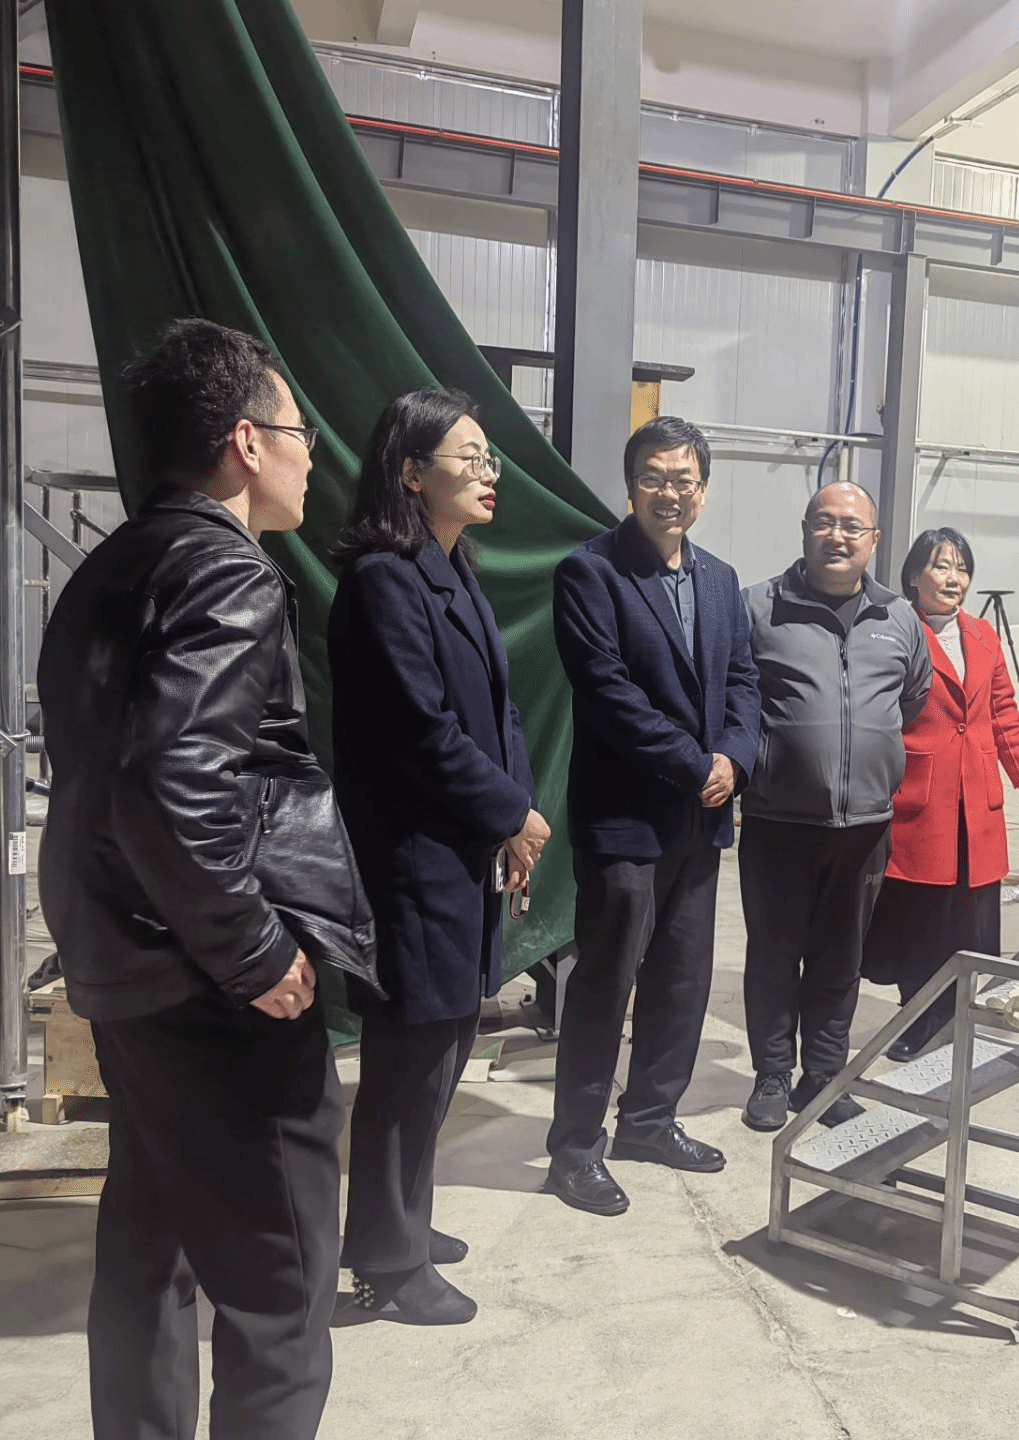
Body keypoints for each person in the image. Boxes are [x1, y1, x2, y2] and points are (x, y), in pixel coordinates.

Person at [38, 319, 376, 1440]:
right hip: (206, 981)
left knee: (150, 1246)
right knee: (280, 1288)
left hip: (121, 959)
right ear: (245, 441)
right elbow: (170, 781)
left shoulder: (113, 564)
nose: (311, 455)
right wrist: (255, 951)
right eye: (299, 431)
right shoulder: (228, 571)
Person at [327, 389, 546, 1323]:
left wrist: (516, 815)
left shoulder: (452, 569)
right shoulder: (384, 579)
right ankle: (388, 1261)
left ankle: (401, 1221)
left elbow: (499, 713)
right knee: (410, 1060)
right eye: (471, 457)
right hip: (413, 860)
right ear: (411, 473)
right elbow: (420, 732)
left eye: (491, 458)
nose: (489, 473)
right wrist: (509, 814)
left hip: (462, 853)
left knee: (447, 1045)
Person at [544, 416, 760, 1215]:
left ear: (704, 489)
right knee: (606, 984)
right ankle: (575, 1148)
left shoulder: (720, 580)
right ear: (631, 485)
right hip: (626, 819)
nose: (671, 493)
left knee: (682, 978)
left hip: (700, 821)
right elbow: (608, 694)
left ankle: (649, 1121)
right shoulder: (591, 573)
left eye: (685, 480)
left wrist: (734, 759)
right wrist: (695, 764)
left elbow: (744, 682)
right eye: (655, 478)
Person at [740, 481, 933, 1132]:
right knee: (774, 954)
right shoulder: (759, 608)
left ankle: (823, 1078)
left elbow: (912, 697)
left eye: (852, 527)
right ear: (804, 531)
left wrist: (866, 759)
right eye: (824, 523)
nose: (838, 536)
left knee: (839, 959)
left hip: (865, 825)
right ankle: (772, 1075)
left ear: (874, 541)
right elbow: (736, 699)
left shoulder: (899, 618)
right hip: (778, 820)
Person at [861, 529, 1019, 1061]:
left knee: (970, 916)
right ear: (913, 575)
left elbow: (1001, 711)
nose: (954, 578)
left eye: (962, 568)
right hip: (921, 798)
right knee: (923, 918)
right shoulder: (895, 628)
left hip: (977, 799)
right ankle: (917, 1017)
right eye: (941, 566)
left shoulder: (982, 635)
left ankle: (957, 1014)